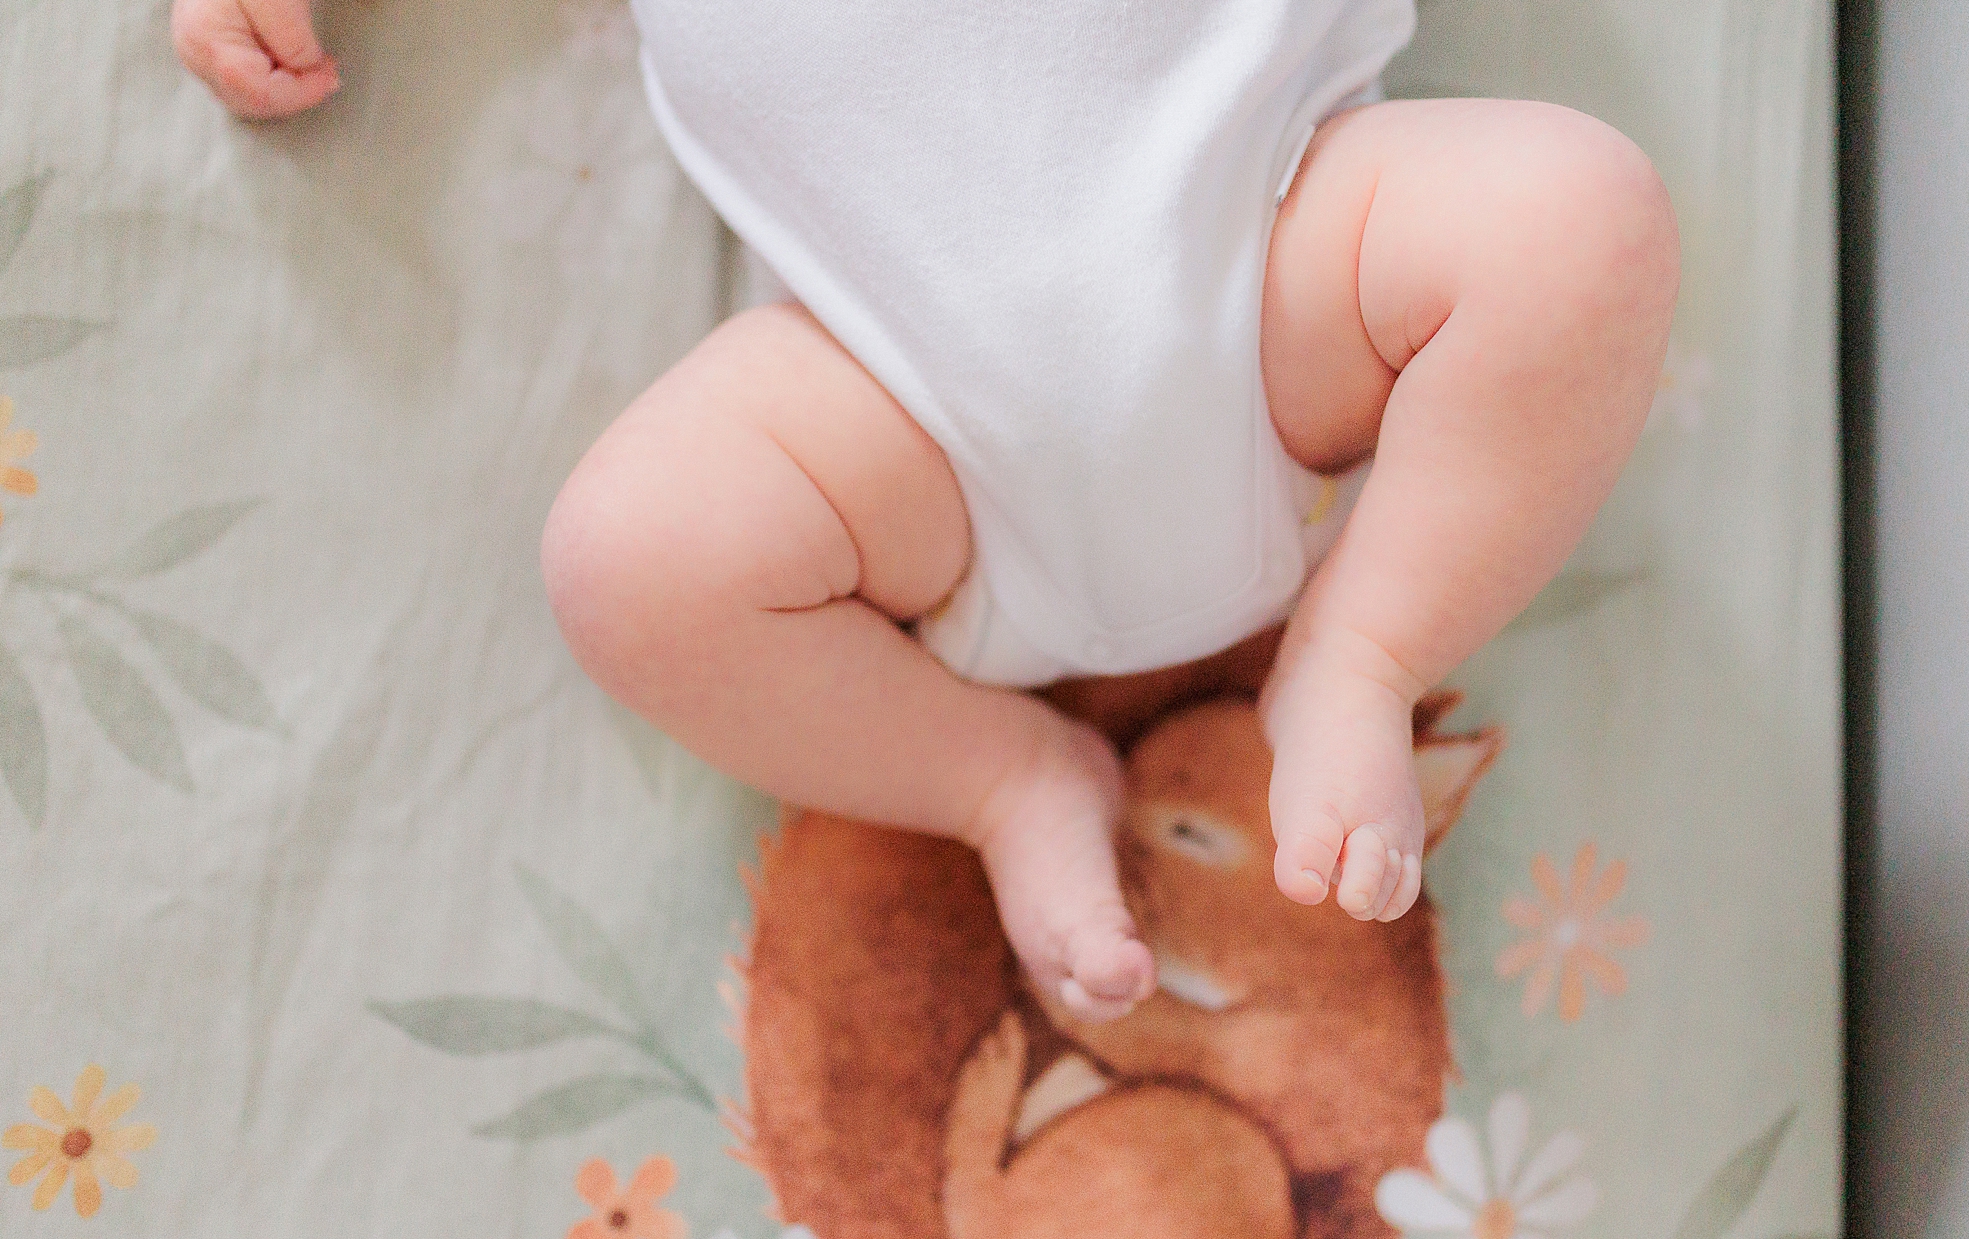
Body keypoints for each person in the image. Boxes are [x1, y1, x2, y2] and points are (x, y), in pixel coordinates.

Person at [172, 0, 1680, 1022]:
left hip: (1286, 258)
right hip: (899, 415)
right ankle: (1001, 778)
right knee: (632, 557)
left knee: (1573, 221)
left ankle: (1364, 648)